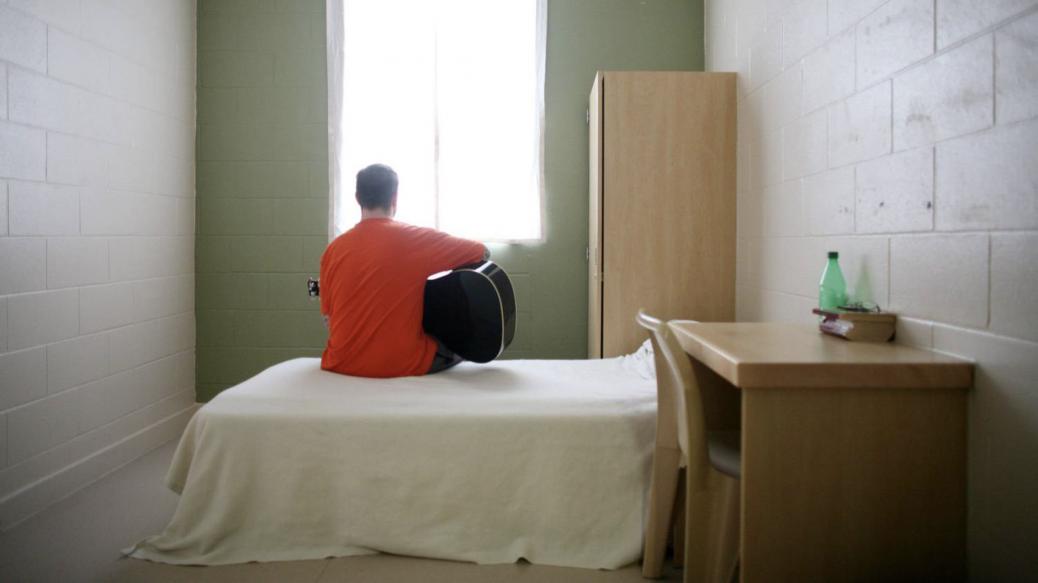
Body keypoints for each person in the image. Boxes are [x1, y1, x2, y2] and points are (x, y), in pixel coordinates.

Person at [319, 163, 488, 378]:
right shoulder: (415, 239)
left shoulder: (331, 252)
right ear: (394, 198)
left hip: (342, 363)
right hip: (402, 363)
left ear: (357, 198)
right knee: (459, 341)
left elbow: (329, 321)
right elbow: (481, 252)